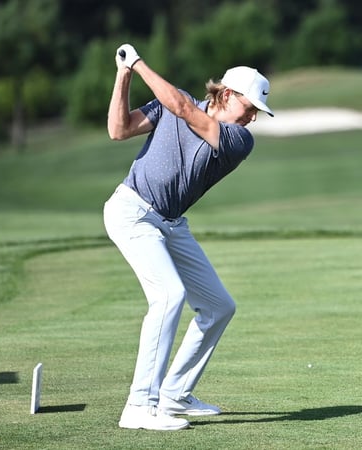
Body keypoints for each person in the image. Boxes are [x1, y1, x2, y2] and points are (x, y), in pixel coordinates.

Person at [104, 43, 273, 431]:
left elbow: (183, 109)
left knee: (218, 306)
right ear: (227, 95)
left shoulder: (238, 140)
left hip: (172, 223)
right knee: (168, 295)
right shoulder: (171, 104)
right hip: (132, 212)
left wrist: (138, 61)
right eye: (249, 109)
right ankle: (138, 406)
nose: (251, 119)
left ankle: (174, 394)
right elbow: (118, 130)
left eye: (256, 114)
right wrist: (124, 73)